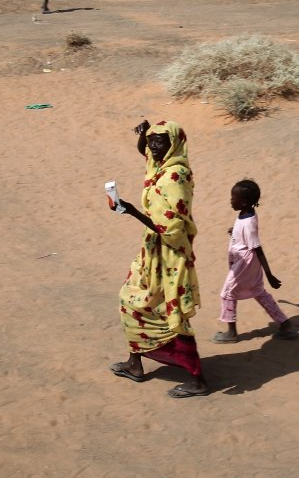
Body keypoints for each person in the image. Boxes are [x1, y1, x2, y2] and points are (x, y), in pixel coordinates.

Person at [108, 119, 210, 398]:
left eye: (160, 141)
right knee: (130, 299)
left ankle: (196, 379)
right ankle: (135, 363)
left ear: (174, 143)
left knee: (169, 313)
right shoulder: (161, 167)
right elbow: (147, 154)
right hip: (152, 251)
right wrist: (144, 134)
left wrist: (131, 211)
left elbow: (172, 228)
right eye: (152, 141)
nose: (153, 146)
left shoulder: (175, 177)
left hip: (171, 255)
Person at [212, 179, 296, 344]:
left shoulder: (248, 222)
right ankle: (285, 324)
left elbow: (257, 248)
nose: (230, 200)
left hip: (245, 263)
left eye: (233, 198)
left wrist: (269, 275)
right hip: (247, 262)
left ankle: (231, 333)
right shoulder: (246, 213)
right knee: (258, 291)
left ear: (243, 202)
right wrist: (235, 231)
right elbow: (244, 232)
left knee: (227, 294)